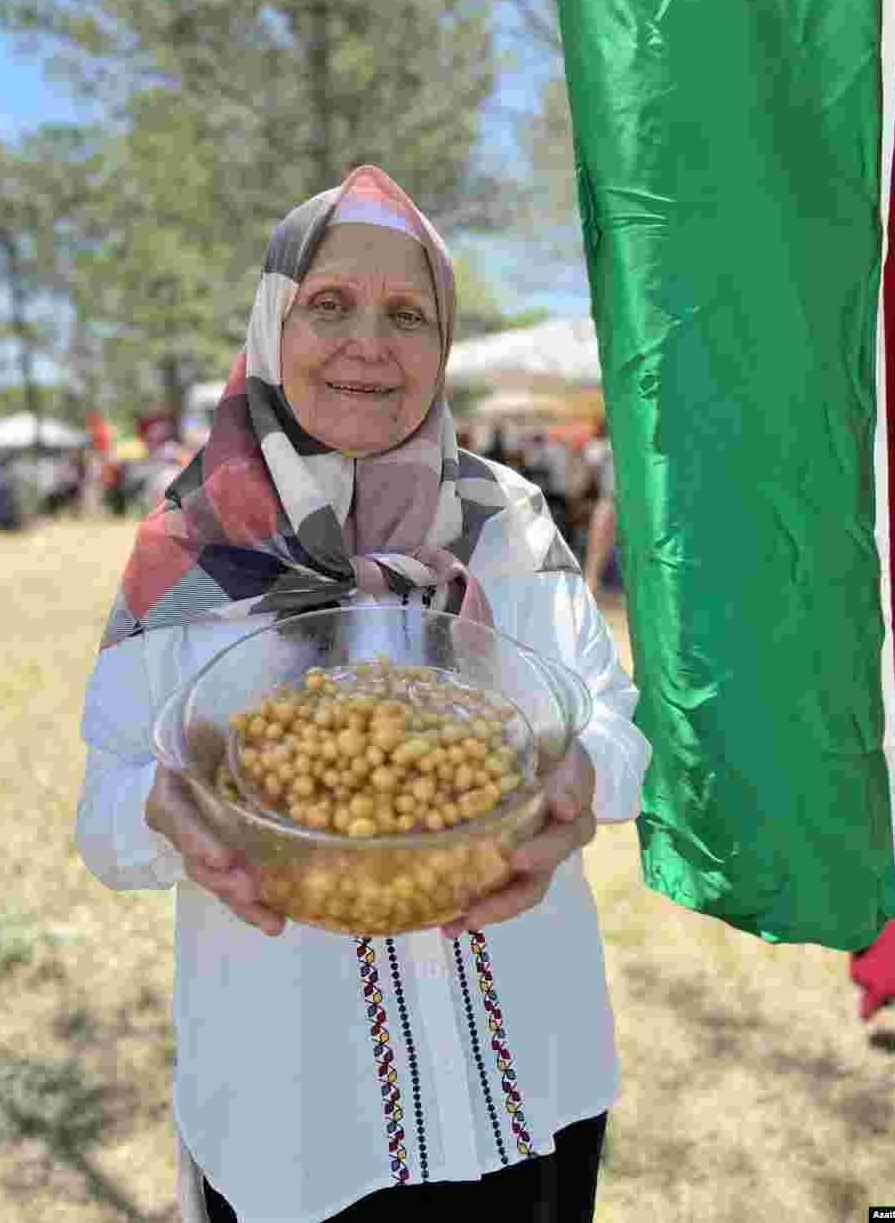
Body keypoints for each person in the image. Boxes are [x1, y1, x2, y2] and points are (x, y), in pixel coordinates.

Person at [77, 166, 651, 1223]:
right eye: (329, 304)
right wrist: (161, 809)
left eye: (408, 314)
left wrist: (582, 778)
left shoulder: (510, 518)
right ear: (272, 324)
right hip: (303, 1114)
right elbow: (104, 818)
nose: (368, 344)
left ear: (443, 341)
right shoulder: (186, 548)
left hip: (531, 1074)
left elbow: (613, 722)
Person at [582, 424, 617, 603]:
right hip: (608, 500)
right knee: (596, 552)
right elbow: (588, 472)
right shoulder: (599, 446)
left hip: (631, 504)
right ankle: (590, 590)